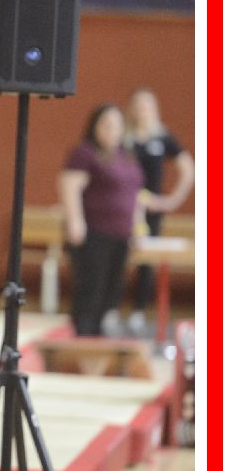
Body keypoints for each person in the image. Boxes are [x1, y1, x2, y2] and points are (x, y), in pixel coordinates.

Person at [58, 104, 147, 337]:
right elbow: (69, 186)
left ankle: (96, 336)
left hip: (121, 234)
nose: (111, 130)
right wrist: (75, 221)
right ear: (95, 126)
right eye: (106, 124)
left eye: (116, 125)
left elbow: (134, 195)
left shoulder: (126, 156)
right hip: (94, 233)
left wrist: (139, 227)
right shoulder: (86, 153)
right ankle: (82, 335)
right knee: (91, 287)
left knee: (112, 289)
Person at [124, 87, 194, 333]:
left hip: (151, 208)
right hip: (125, 207)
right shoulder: (125, 139)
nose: (142, 110)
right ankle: (111, 308)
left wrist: (171, 200)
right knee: (120, 256)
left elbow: (188, 168)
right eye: (138, 105)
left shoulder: (162, 138)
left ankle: (139, 310)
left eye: (147, 106)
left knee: (147, 260)